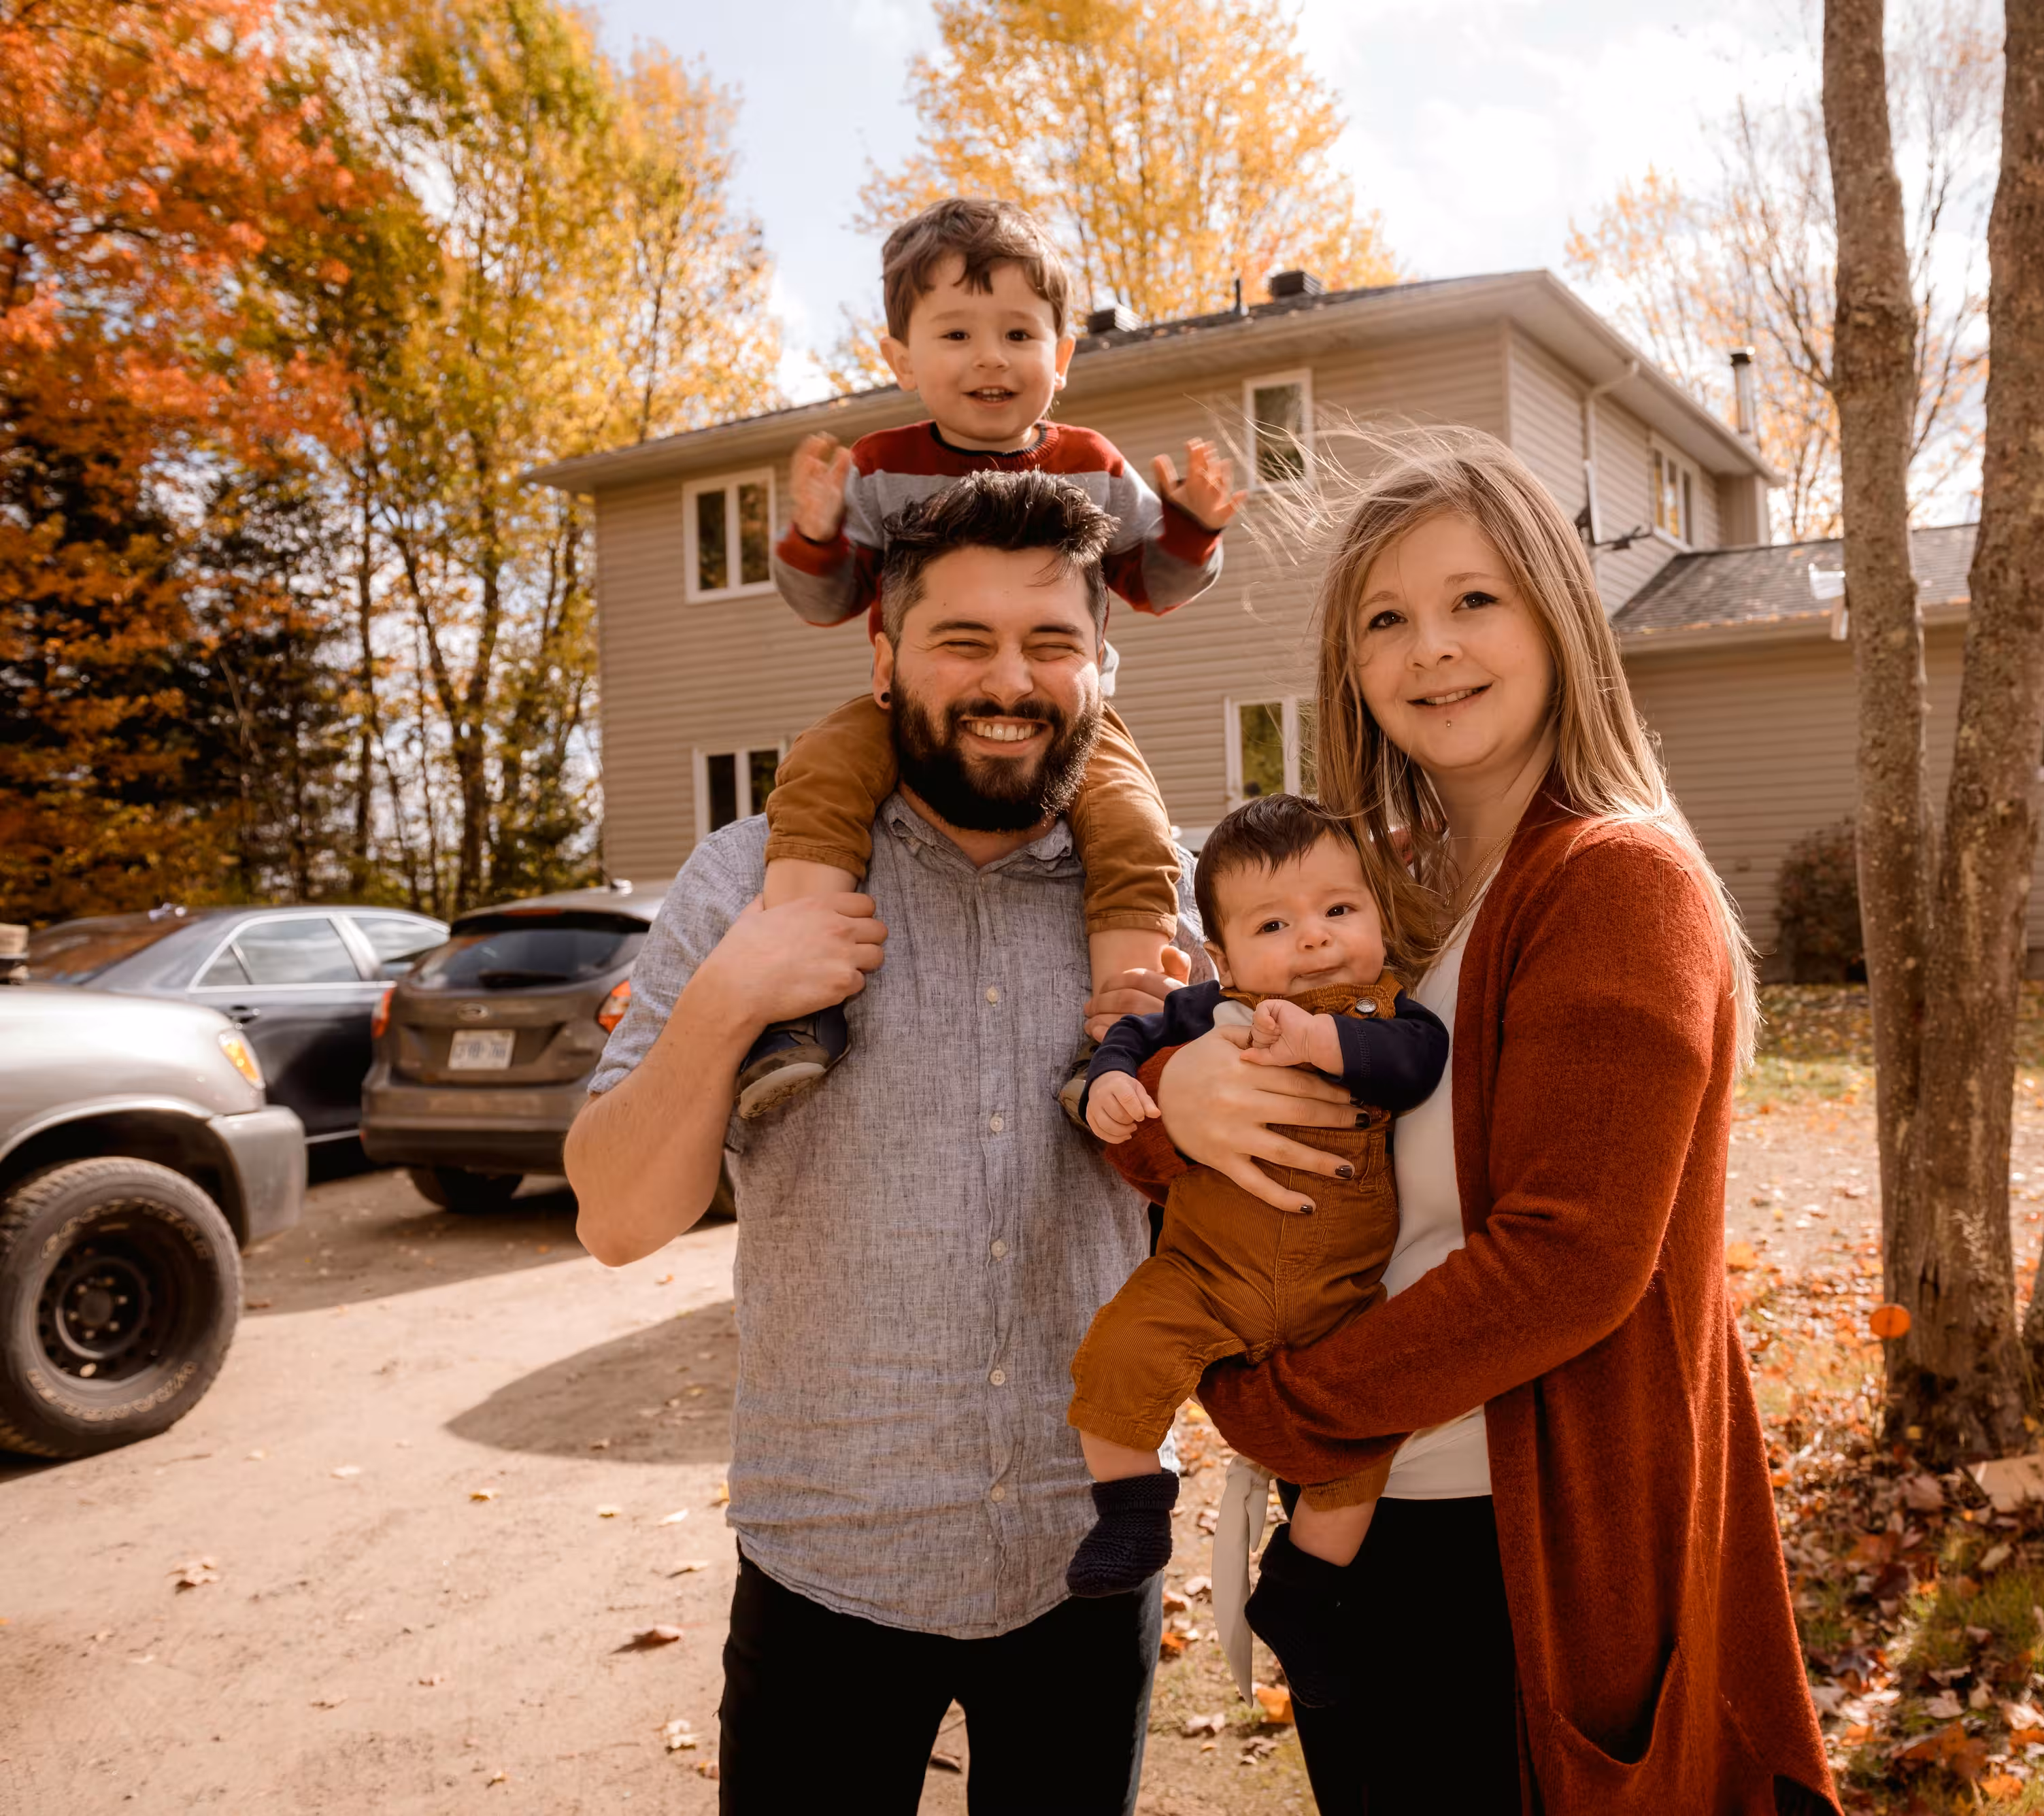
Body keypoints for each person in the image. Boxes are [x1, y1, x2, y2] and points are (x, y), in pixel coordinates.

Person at [1103, 433, 1840, 1814]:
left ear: (1557, 616)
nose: (1429, 649)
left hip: (1505, 1559)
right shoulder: (1385, 906)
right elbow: (1250, 1132)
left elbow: (1567, 1258)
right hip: (1383, 1544)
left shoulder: (1611, 882)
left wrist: (1275, 1411)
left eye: (1472, 602)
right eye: (1386, 619)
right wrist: (1177, 1096)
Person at [564, 470, 1216, 1813]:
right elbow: (616, 1220)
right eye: (961, 641)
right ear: (881, 655)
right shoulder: (748, 878)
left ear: (1102, 661)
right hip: (827, 1560)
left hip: (1087, 1554)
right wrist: (736, 992)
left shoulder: (1164, 918)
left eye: (1048, 644)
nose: (1009, 682)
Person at [735, 195, 1239, 1120]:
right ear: (900, 358)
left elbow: (1149, 582)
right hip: (909, 711)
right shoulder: (882, 468)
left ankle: (1124, 1038)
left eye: (1018, 331)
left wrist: (1195, 528)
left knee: (1133, 827)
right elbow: (830, 599)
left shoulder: (1090, 460)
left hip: (1070, 725)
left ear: (1064, 354)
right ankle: (797, 1010)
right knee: (817, 776)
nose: (991, 357)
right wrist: (815, 534)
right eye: (957, 333)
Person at [1065, 793, 1447, 1710]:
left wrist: (1324, 1037)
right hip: (1205, 1277)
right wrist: (1111, 1081)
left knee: (1362, 1448)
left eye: (1338, 911)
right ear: (1225, 957)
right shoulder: (1208, 1010)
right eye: (1276, 923)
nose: (1314, 939)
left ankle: (1303, 1591)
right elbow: (1132, 1033)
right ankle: (1131, 1508)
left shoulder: (1392, 1012)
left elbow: (1417, 1065)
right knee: (1115, 1352)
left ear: (1378, 918)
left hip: (1340, 1299)